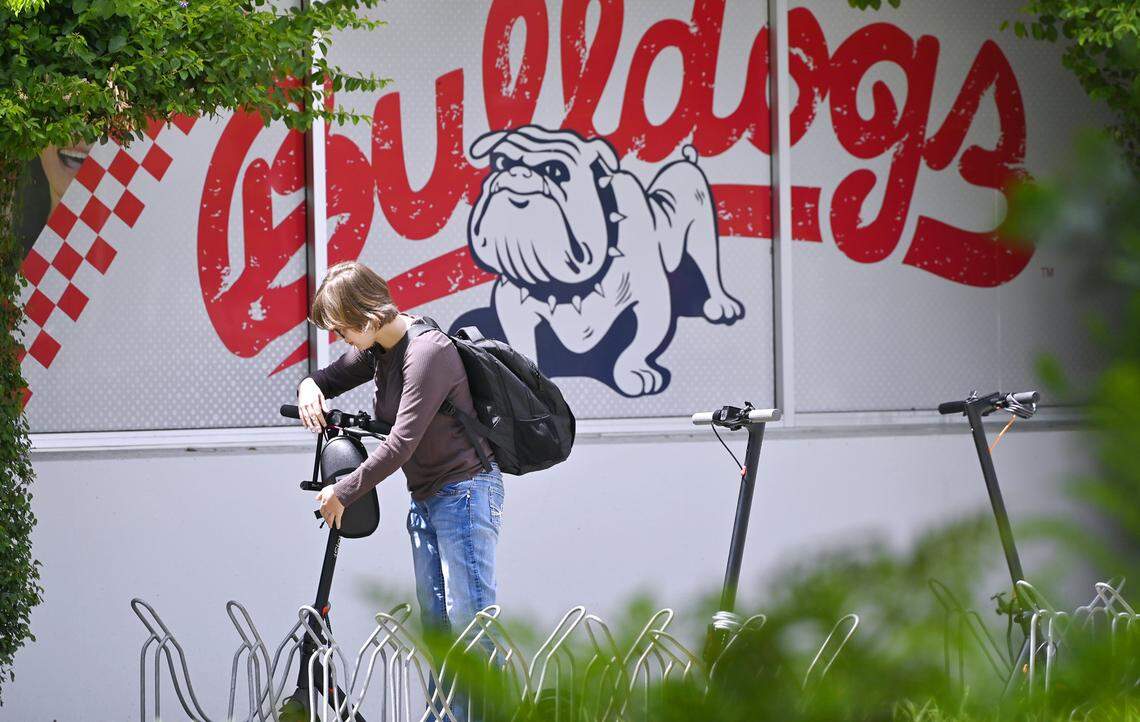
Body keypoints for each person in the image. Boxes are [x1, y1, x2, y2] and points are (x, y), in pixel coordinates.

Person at [297, 261, 504, 654]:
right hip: (427, 497)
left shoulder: (426, 353)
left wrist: (344, 490)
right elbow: (327, 378)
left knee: (471, 629)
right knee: (439, 632)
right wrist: (309, 386)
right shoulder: (380, 350)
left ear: (366, 315)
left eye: (342, 327)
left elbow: (401, 442)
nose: (341, 337)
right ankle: (444, 717)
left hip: (464, 492)